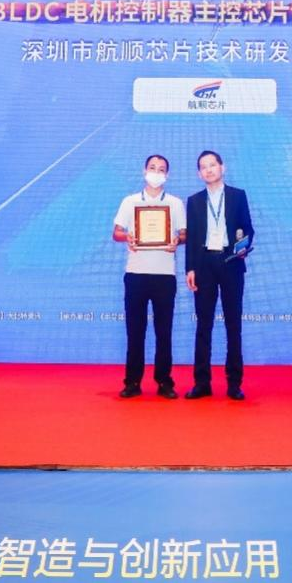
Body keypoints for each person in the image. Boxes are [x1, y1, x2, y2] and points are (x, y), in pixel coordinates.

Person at [112, 154, 186, 399]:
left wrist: (177, 241)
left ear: (167, 175)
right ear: (144, 171)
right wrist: (127, 237)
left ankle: (164, 381)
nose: (156, 172)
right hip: (136, 274)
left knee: (164, 331)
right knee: (135, 331)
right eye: (152, 168)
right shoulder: (130, 201)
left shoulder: (175, 203)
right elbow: (116, 232)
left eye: (161, 169)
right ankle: (132, 382)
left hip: (164, 275)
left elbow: (184, 234)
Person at [184, 150, 254, 400]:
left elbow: (247, 229)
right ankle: (202, 383)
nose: (209, 170)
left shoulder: (238, 195)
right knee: (203, 325)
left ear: (222, 168)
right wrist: (190, 269)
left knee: (233, 324)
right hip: (204, 265)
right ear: (199, 173)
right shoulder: (193, 201)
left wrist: (242, 247)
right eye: (204, 167)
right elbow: (192, 238)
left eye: (212, 165)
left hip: (230, 263)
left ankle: (234, 384)